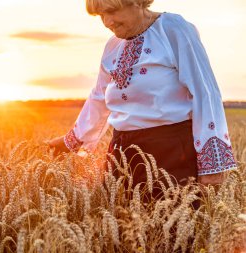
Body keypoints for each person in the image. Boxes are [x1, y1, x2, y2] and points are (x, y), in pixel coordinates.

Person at [47, 0, 237, 188]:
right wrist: (69, 141)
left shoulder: (172, 29)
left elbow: (205, 92)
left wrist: (212, 165)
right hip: (121, 155)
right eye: (100, 16)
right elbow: (99, 97)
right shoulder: (112, 47)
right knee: (120, 217)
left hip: (171, 154)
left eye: (112, 11)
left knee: (169, 216)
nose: (107, 22)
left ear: (137, 2)